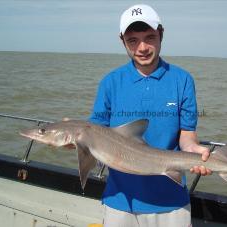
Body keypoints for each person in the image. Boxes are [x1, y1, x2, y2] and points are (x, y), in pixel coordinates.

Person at [88, 4, 211, 227]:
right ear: (122, 41)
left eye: (149, 37)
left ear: (161, 34)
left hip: (171, 201)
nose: (142, 47)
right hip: (120, 200)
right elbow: (94, 133)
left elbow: (187, 136)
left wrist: (193, 150)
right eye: (132, 40)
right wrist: (74, 141)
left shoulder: (182, 80)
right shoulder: (110, 82)